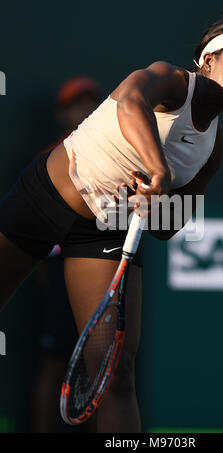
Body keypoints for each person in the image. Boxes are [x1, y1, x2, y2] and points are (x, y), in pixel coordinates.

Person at [0, 17, 223, 433]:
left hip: (104, 232)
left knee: (116, 375)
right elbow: (130, 101)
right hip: (46, 197)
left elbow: (169, 227)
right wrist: (159, 171)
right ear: (208, 60)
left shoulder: (214, 147)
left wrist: (158, 204)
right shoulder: (171, 81)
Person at [32, 76, 105, 433]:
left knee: (101, 365)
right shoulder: (48, 160)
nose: (85, 110)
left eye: (91, 102)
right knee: (54, 361)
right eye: (76, 104)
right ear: (64, 113)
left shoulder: (114, 158)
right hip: (60, 275)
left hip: (102, 277)